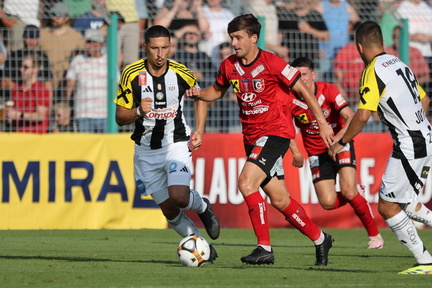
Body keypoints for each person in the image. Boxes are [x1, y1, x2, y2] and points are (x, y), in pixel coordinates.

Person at [185, 14, 335, 266]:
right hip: (252, 137)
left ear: (254, 38)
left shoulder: (273, 63)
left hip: (275, 133)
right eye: (232, 38)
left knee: (246, 183)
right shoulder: (229, 65)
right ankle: (321, 239)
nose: (234, 43)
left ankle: (264, 247)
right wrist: (198, 95)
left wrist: (320, 121)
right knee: (279, 199)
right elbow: (215, 92)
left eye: (238, 37)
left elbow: (303, 89)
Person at [329, 21, 432, 274]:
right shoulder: (399, 63)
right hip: (424, 137)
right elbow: (425, 100)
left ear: (359, 47)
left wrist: (341, 142)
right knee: (405, 204)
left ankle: (426, 262)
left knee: (387, 207)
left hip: (411, 144)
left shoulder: (372, 70)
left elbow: (363, 115)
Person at [114, 25, 219, 262]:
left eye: (164, 48)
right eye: (154, 48)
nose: (160, 54)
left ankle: (202, 205)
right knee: (169, 209)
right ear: (145, 48)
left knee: (180, 197)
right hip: (145, 151)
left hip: (175, 143)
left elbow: (199, 97)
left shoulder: (182, 73)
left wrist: (200, 129)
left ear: (170, 47)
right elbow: (120, 117)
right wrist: (139, 111)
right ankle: (203, 248)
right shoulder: (131, 74)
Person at [288, 56, 384, 249]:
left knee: (349, 190)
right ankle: (357, 194)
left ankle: (375, 237)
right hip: (316, 153)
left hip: (341, 145)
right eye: (297, 75)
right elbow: (284, 127)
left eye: (305, 74)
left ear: (313, 75)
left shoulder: (328, 90)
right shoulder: (290, 99)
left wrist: (339, 139)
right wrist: (296, 152)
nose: (302, 79)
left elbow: (350, 116)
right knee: (328, 202)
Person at [39, 2, 86, 103]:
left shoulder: (76, 37)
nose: (54, 18)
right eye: (53, 15)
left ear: (66, 18)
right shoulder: (43, 34)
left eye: (58, 16)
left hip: (67, 85)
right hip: (46, 83)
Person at [64, 29, 109, 133]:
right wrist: (65, 106)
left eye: (92, 42)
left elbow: (116, 84)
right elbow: (69, 85)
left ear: (101, 44)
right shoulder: (78, 60)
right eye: (87, 42)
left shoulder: (109, 61)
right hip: (83, 113)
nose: (88, 45)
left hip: (105, 114)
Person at [3, 25, 53, 101]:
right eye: (28, 37)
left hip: (37, 98)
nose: (31, 41)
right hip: (17, 98)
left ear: (38, 39)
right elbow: (5, 81)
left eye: (34, 38)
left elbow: (48, 83)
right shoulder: (14, 56)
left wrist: (48, 105)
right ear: (23, 37)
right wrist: (23, 92)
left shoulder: (43, 57)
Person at [6, 53, 51, 133]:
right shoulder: (15, 89)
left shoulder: (41, 90)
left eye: (25, 67)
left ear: (35, 69)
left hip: (35, 139)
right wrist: (8, 116)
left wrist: (19, 115)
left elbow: (41, 116)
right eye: (21, 66)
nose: (21, 70)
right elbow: (9, 114)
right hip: (18, 138)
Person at [277, 0, 329, 65]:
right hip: (290, 62)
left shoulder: (315, 15)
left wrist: (310, 30)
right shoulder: (286, 15)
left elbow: (326, 36)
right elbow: (279, 37)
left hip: (310, 62)